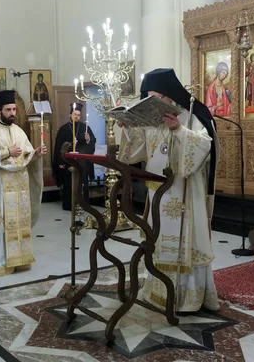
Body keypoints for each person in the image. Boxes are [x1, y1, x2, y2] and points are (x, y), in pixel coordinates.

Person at [118, 68, 220, 313]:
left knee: (183, 242)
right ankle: (158, 290)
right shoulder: (153, 119)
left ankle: (187, 297)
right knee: (159, 241)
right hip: (158, 194)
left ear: (170, 96)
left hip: (185, 193)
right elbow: (138, 149)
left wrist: (179, 130)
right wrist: (127, 127)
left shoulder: (194, 113)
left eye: (157, 97)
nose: (153, 102)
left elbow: (206, 146)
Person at [0, 90, 46, 276]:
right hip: (2, 184)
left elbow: (26, 153)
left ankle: (20, 259)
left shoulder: (18, 130)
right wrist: (6, 152)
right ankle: (0, 260)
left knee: (20, 222)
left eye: (14, 109)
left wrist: (36, 153)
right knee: (4, 222)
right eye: (8, 110)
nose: (12, 113)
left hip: (20, 184)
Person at [52, 103, 96, 211]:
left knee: (82, 183)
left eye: (78, 115)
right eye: (74, 114)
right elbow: (58, 146)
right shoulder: (63, 129)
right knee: (69, 183)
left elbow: (92, 142)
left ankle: (83, 204)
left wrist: (88, 139)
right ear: (70, 115)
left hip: (82, 163)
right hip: (68, 162)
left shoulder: (85, 128)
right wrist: (59, 162)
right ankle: (69, 204)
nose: (76, 117)